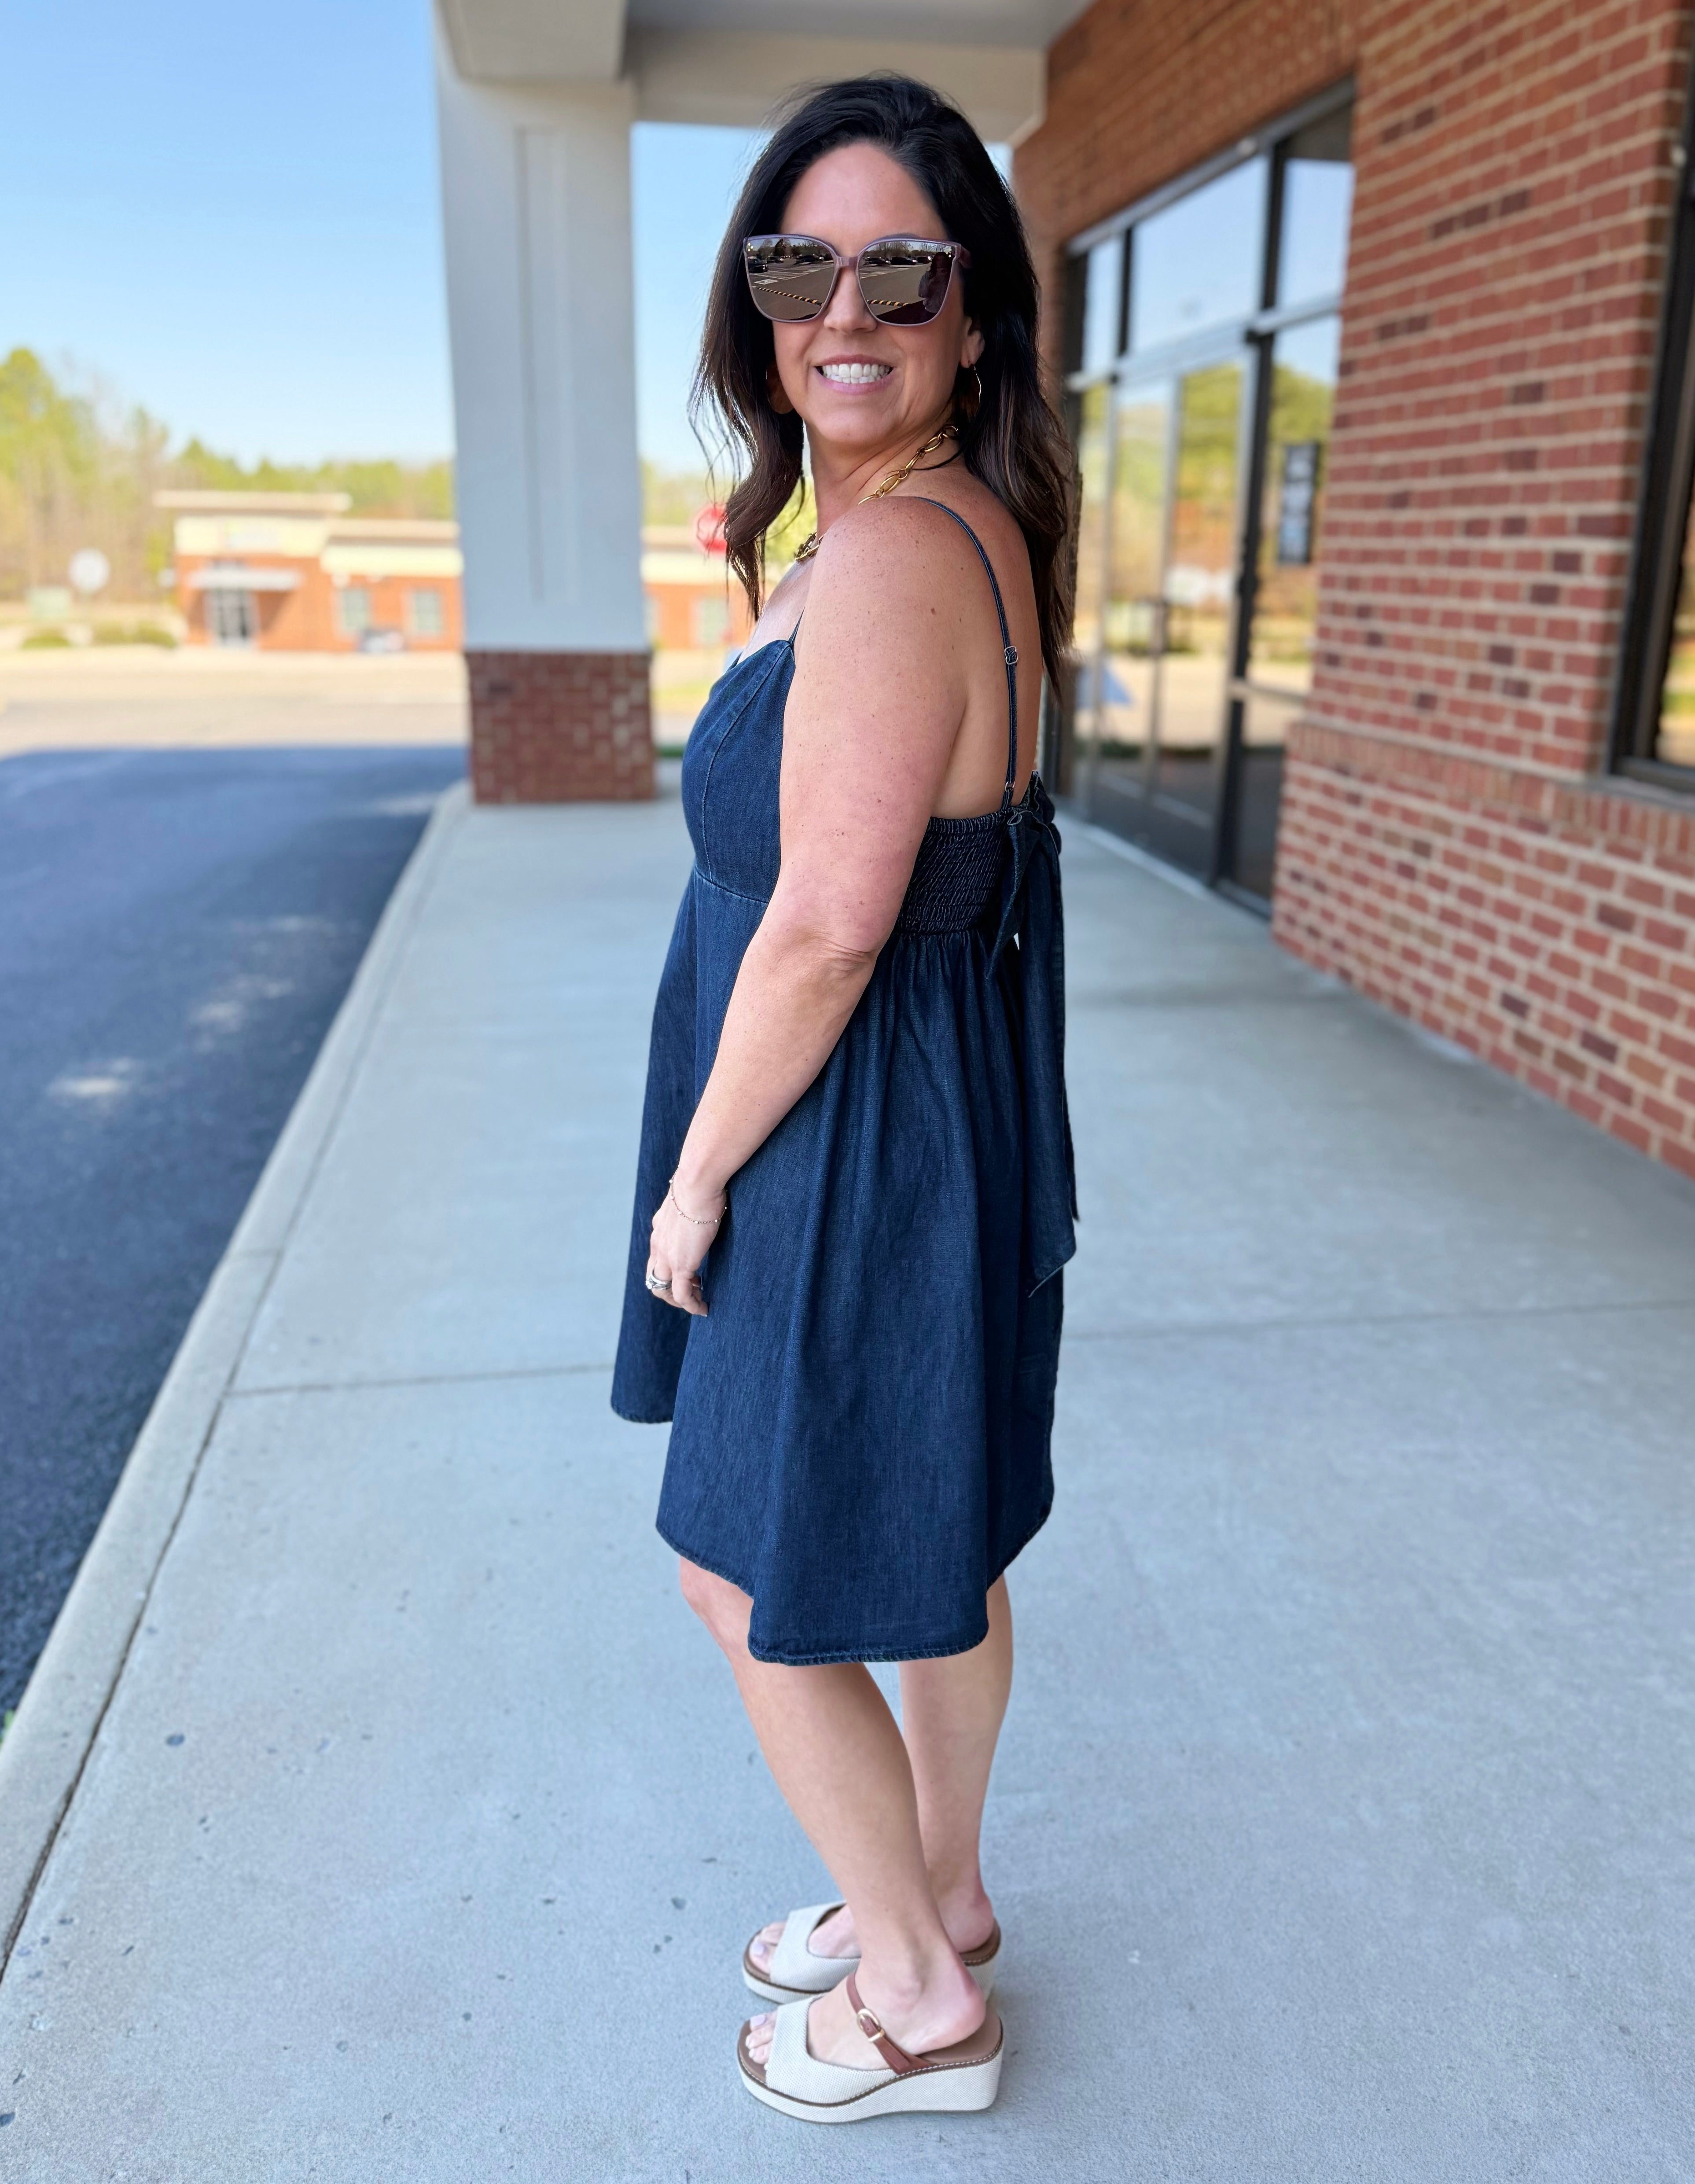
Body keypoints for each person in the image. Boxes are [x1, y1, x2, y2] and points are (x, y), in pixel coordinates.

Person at [611, 73, 1077, 2125]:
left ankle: (913, 2001)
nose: (847, 303)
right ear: (757, 302)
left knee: (751, 1570)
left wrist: (697, 1177)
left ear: (973, 312)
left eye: (906, 262)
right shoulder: (948, 528)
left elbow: (821, 927)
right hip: (926, 1115)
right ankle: (943, 1889)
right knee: (932, 1544)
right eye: (803, 261)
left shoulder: (895, 561)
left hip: (839, 1131)